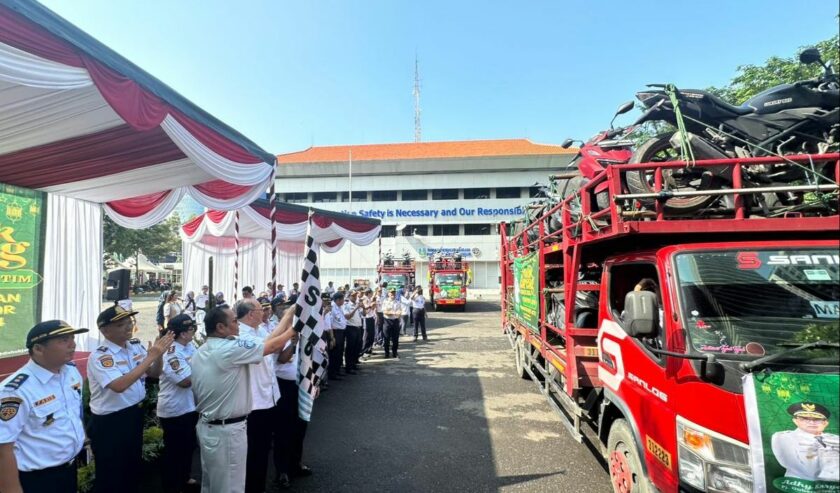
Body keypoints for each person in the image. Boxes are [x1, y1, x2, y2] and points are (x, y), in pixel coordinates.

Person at [191, 305, 297, 493]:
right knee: (230, 486)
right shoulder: (228, 349)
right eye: (233, 321)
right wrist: (296, 327)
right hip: (227, 431)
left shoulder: (204, 349)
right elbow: (271, 346)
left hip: (211, 426)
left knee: (213, 485)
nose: (237, 323)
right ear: (220, 328)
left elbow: (268, 342)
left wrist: (288, 318)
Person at [87, 305, 174, 493]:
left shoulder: (134, 345)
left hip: (133, 414)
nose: (128, 327)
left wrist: (158, 357)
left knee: (132, 467)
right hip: (111, 421)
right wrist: (150, 357)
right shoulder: (101, 355)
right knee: (111, 473)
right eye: (121, 325)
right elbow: (119, 385)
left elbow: (154, 374)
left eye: (129, 323)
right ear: (104, 330)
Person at [0, 320, 88, 493]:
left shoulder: (70, 371)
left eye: (72, 337)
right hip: (38, 480)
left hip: (68, 470)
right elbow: (3, 447)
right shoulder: (15, 391)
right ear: (38, 349)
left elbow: (72, 412)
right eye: (63, 340)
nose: (73, 344)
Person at [236, 299, 282, 493]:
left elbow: (273, 341)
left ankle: (259, 486)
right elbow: (269, 348)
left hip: (268, 397)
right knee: (254, 453)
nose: (264, 312)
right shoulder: (241, 334)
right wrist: (290, 320)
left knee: (263, 450)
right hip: (254, 404)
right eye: (260, 309)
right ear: (249, 314)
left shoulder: (259, 330)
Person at [272, 300, 312, 490]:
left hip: (302, 384)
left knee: (301, 426)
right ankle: (282, 471)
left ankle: (296, 463)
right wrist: (293, 344)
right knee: (283, 430)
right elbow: (281, 358)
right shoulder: (278, 333)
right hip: (284, 386)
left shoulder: (305, 329)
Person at [157, 315, 199, 493]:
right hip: (174, 409)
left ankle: (184, 478)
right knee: (174, 452)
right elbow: (185, 381)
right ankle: (172, 485)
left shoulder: (190, 345)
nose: (194, 332)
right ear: (182, 333)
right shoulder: (172, 352)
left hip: (189, 406)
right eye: (191, 329)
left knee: (188, 447)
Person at [772, 401, 839, 482]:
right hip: (802, 486)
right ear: (795, 421)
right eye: (804, 418)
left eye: (817, 419)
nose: (811, 422)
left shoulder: (835, 439)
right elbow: (808, 469)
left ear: (825, 423)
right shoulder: (785, 438)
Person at [328, 292, 348, 380]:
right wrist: (332, 337)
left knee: (339, 352)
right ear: (338, 300)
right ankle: (332, 373)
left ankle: (337, 370)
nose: (343, 301)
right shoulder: (332, 308)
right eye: (342, 299)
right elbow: (330, 323)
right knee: (334, 353)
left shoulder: (339, 307)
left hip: (341, 332)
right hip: (335, 332)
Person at [343, 291, 364, 374]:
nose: (355, 297)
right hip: (350, 328)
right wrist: (356, 308)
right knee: (350, 348)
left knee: (357, 347)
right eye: (353, 296)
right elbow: (347, 316)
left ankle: (354, 364)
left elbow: (364, 314)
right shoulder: (347, 306)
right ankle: (348, 367)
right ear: (349, 297)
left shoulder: (357, 305)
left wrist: (363, 307)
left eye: (355, 296)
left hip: (358, 327)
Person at [382, 289, 402, 359]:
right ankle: (386, 353)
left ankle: (395, 353)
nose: (392, 294)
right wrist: (394, 313)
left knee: (395, 339)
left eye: (394, 293)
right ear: (388, 294)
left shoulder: (397, 302)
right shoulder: (385, 302)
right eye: (391, 293)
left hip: (395, 321)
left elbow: (399, 311)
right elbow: (385, 312)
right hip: (387, 321)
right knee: (386, 338)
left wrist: (396, 314)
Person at [361, 288, 377, 357]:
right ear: (368, 293)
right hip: (367, 318)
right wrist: (371, 305)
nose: (372, 294)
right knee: (367, 335)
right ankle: (365, 350)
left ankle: (369, 349)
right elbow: (365, 308)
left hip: (371, 317)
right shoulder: (365, 299)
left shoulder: (369, 299)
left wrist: (373, 305)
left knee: (371, 335)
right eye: (371, 293)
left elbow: (371, 308)